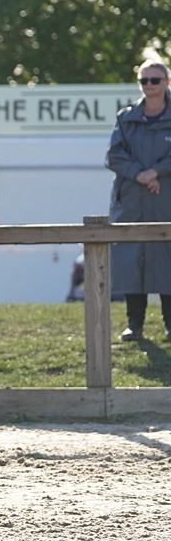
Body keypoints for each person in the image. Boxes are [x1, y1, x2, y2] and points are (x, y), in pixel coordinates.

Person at [109, 58, 171, 342]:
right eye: (144, 80)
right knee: (131, 262)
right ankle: (134, 325)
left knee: (167, 261)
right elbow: (114, 156)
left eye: (154, 80)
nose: (149, 86)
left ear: (167, 83)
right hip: (132, 202)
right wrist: (141, 176)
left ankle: (170, 326)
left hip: (165, 201)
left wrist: (156, 171)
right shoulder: (126, 118)